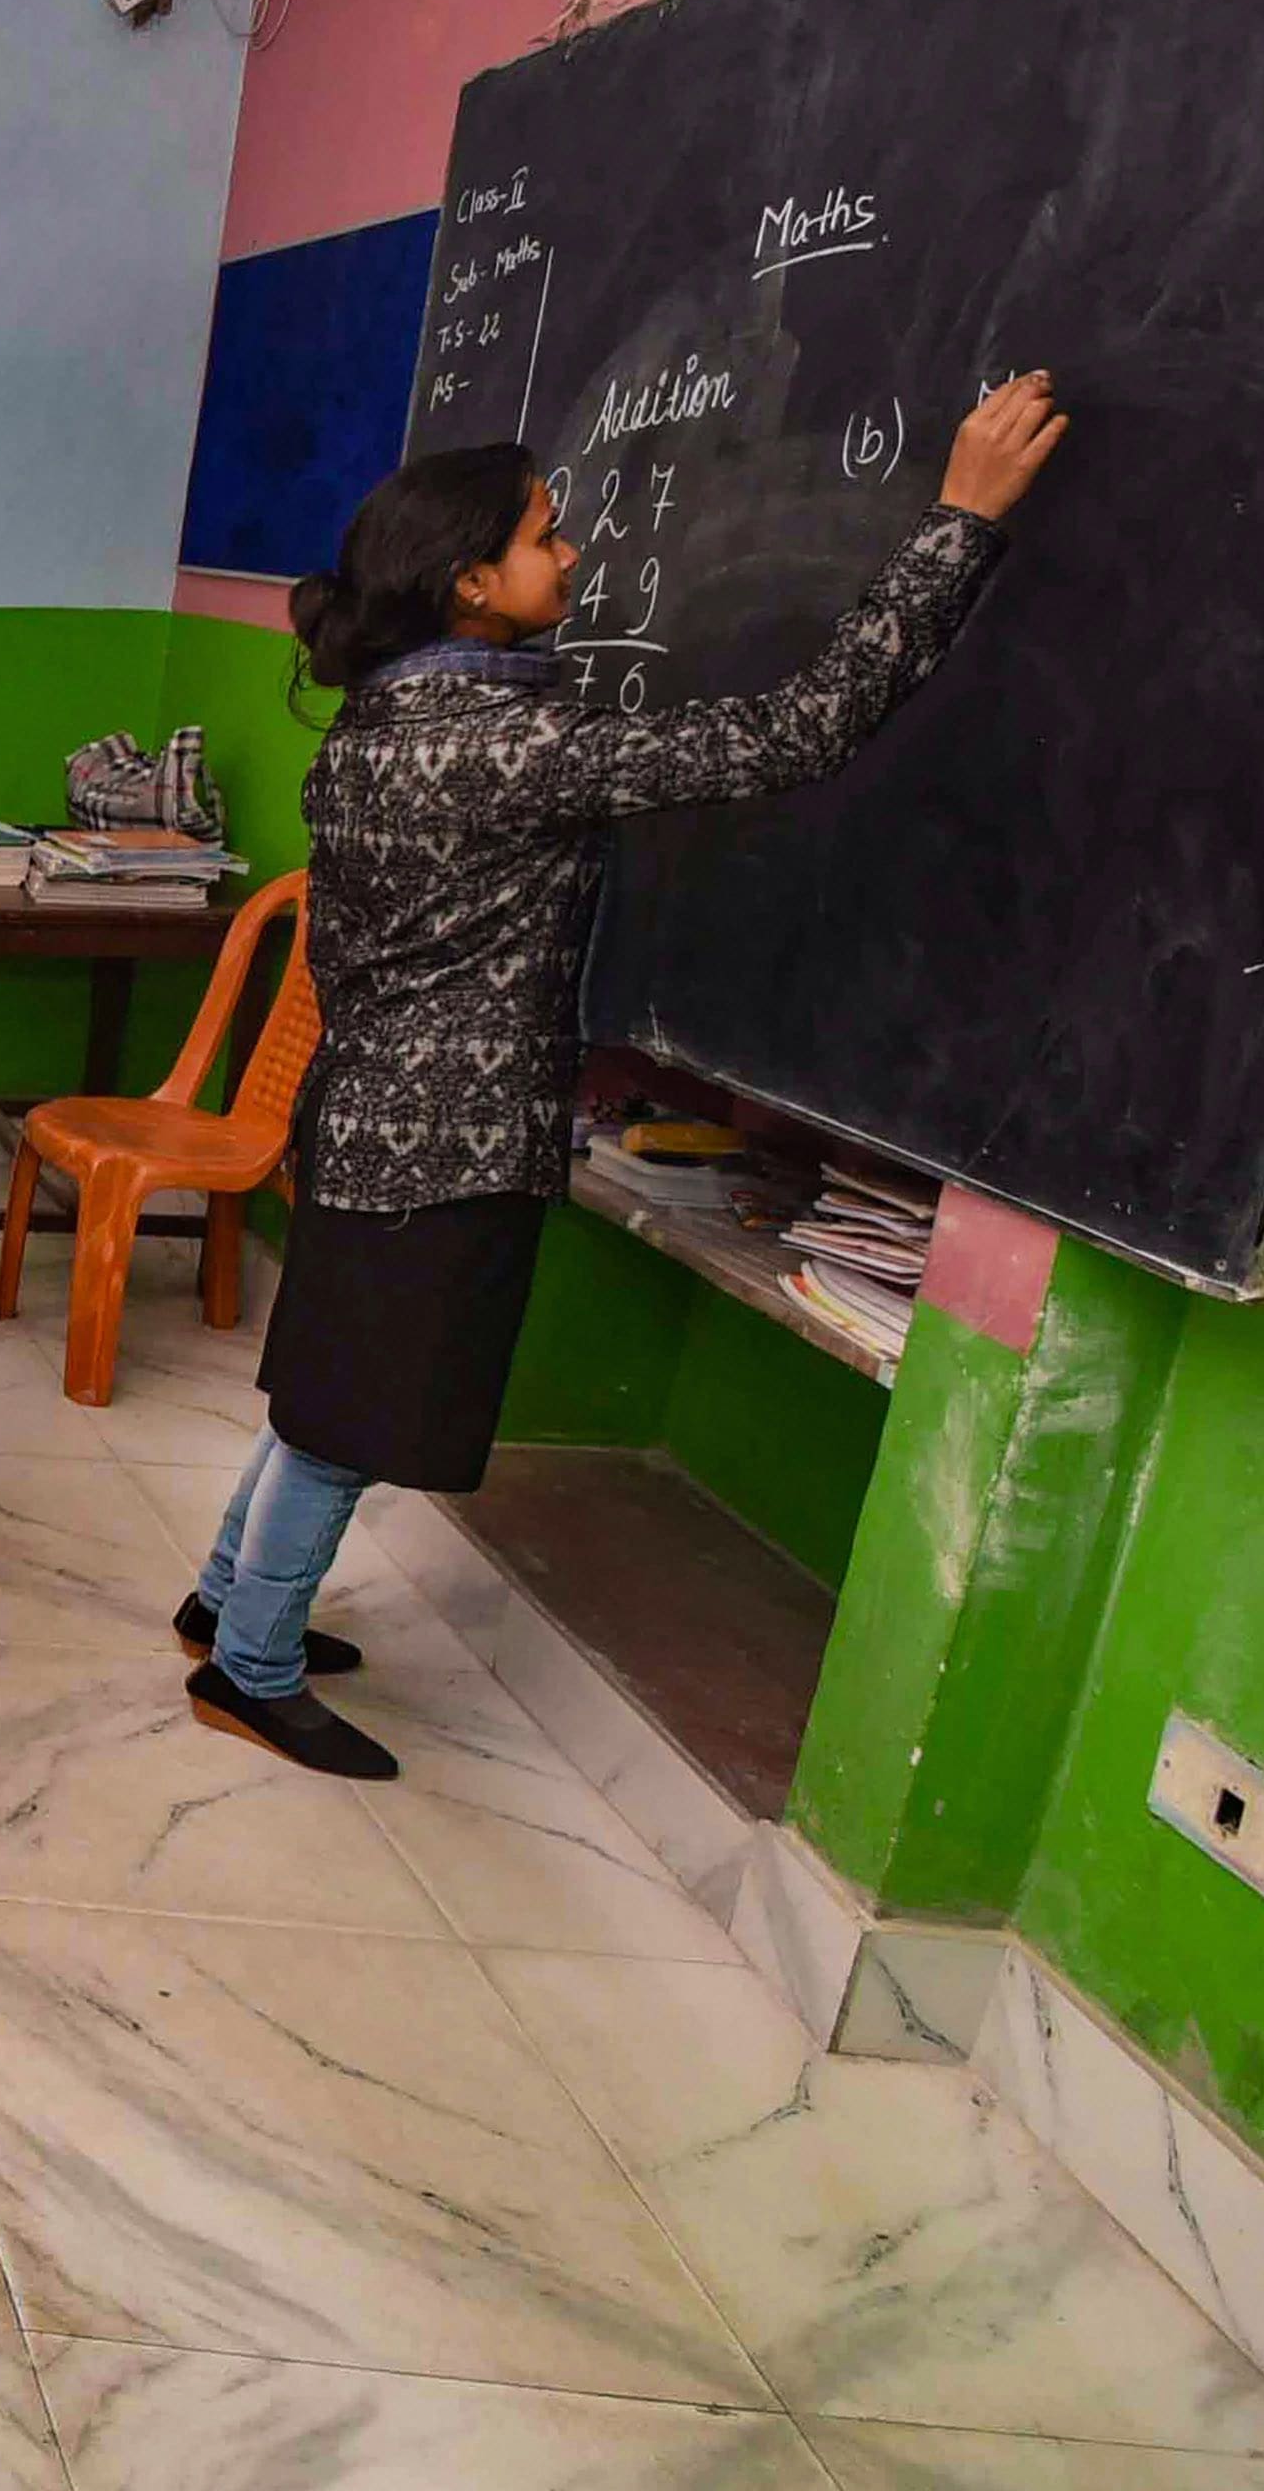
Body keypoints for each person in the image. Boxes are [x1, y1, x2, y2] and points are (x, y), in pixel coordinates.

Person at [207, 375, 1069, 1781]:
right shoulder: (502, 741)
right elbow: (796, 732)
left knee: (323, 1396)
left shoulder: (385, 716)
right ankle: (251, 1664)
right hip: (443, 1142)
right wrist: (958, 522)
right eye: (548, 537)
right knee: (345, 1423)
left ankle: (227, 1597)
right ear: (473, 584)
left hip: (369, 1117)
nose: (576, 555)